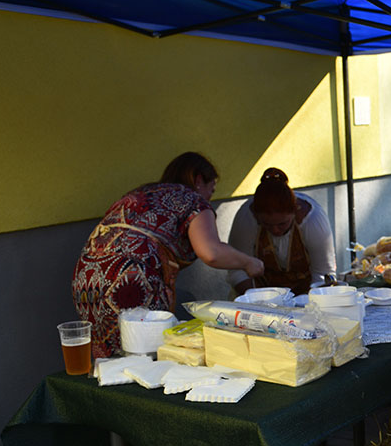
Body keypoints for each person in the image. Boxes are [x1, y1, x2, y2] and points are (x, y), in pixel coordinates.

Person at [73, 152, 264, 357]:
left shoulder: (145, 192)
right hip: (130, 278)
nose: (210, 198)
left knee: (109, 359)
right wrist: (248, 262)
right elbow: (211, 252)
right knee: (144, 356)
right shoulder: (192, 200)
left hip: (87, 276)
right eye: (211, 190)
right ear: (199, 180)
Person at [227, 168, 337, 295]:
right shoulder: (246, 218)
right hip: (261, 293)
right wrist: (254, 300)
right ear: (257, 216)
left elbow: (323, 273)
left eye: (282, 224)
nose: (275, 230)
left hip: (306, 293)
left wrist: (311, 304)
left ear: (295, 211)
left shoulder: (312, 220)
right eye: (267, 224)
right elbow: (237, 269)